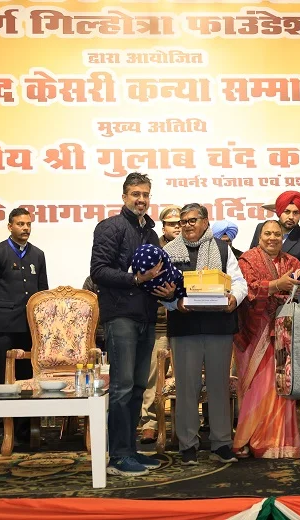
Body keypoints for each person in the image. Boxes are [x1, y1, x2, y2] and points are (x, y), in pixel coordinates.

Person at [90, 171, 166, 476]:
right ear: (124, 197)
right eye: (136, 194)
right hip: (120, 315)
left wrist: (167, 288)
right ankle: (118, 457)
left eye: (145, 194)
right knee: (121, 388)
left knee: (137, 387)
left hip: (146, 316)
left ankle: (130, 450)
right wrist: (136, 279)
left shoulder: (151, 233)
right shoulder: (110, 227)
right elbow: (98, 271)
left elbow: (153, 274)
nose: (141, 199)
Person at [160, 203, 248, 466]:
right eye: (183, 221)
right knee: (187, 388)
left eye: (193, 220)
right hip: (184, 327)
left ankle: (221, 444)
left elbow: (239, 282)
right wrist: (174, 303)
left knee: (219, 387)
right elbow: (160, 287)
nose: (187, 225)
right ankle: (188, 445)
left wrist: (234, 299)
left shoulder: (222, 248)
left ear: (206, 222)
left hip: (218, 327)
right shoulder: (169, 252)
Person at [233, 220, 300, 458]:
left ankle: (278, 442)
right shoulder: (247, 260)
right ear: (259, 236)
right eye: (267, 233)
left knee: (280, 386)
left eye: (277, 234)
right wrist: (276, 285)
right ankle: (248, 438)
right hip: (254, 333)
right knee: (256, 387)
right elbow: (247, 289)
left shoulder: (291, 261)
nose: (272, 238)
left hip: (283, 333)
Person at [0, 208, 49, 443]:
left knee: (26, 377)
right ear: (10, 226)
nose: (25, 228)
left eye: (28, 224)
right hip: (3, 326)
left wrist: (42, 328)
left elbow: (42, 294)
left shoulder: (38, 254)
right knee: (4, 376)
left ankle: (22, 429)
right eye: (20, 224)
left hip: (30, 328)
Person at [139, 205, 182, 444]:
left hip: (184, 319)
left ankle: (182, 425)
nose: (177, 227)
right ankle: (150, 423)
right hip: (159, 323)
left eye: (180, 223)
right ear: (163, 226)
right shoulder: (152, 250)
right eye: (172, 223)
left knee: (183, 375)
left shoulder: (190, 248)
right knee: (152, 375)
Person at [249, 191, 300, 268]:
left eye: (295, 213)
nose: (291, 217)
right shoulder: (262, 228)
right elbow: (250, 257)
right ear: (279, 212)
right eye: (287, 212)